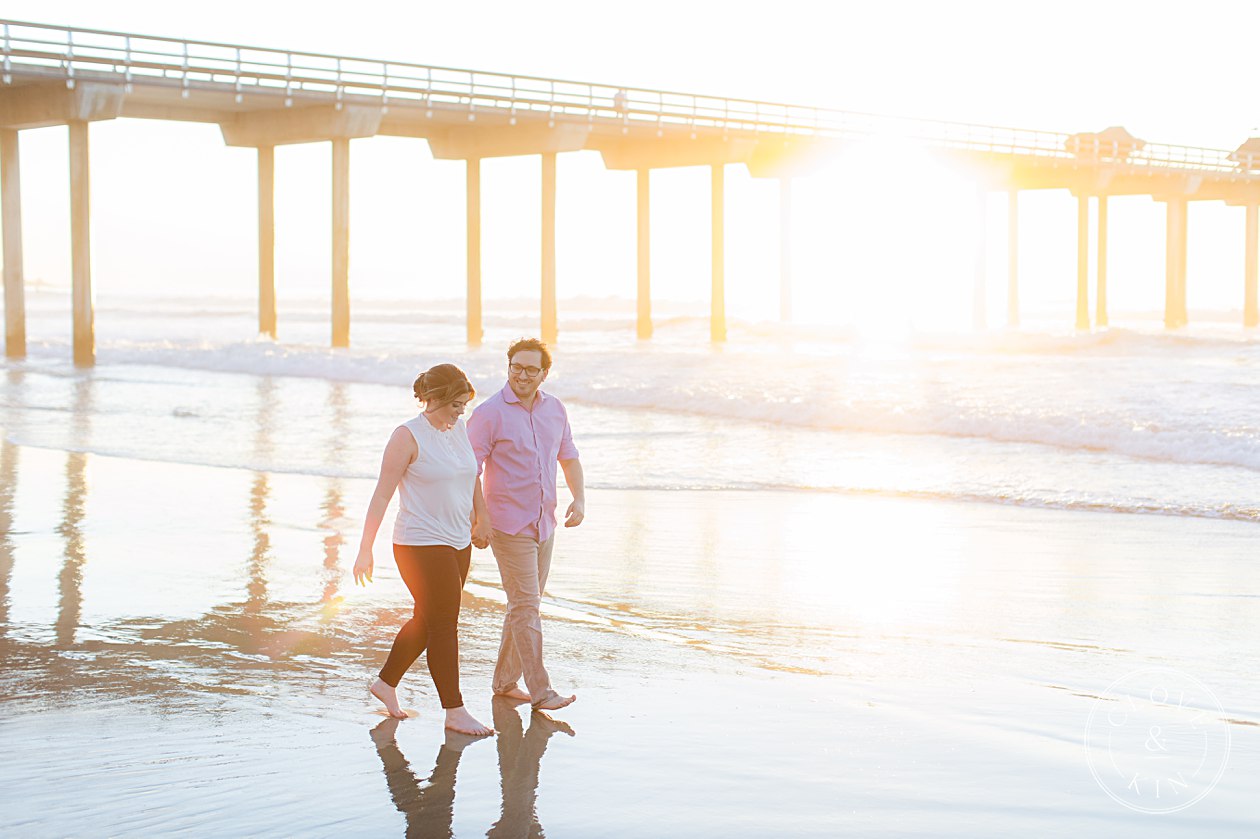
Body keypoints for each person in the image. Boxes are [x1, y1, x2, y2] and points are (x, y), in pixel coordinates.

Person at [353, 363, 493, 736]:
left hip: (458, 541)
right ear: (433, 399)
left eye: (464, 405)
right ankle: (455, 710)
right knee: (445, 624)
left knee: (427, 622)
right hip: (419, 543)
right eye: (455, 405)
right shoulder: (407, 436)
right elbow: (382, 494)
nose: (461, 412)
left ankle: (385, 683)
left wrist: (481, 516)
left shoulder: (458, 428)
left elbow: (472, 477)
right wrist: (365, 549)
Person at [468, 338, 585, 712]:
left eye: (530, 369)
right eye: (515, 367)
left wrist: (579, 498)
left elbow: (569, 457)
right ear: (508, 367)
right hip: (507, 525)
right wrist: (480, 518)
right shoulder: (489, 413)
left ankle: (504, 683)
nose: (521, 375)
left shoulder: (555, 410)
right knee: (525, 607)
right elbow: (469, 469)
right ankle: (541, 691)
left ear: (544, 374)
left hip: (544, 523)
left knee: (523, 606)